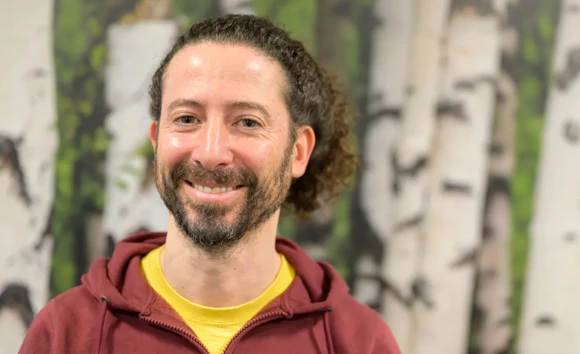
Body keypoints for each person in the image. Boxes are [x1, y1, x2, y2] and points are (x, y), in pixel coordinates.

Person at [19, 14, 400, 354]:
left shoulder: (359, 341)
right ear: (157, 140)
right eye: (187, 119)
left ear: (298, 152)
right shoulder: (66, 333)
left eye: (247, 122)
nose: (211, 152)